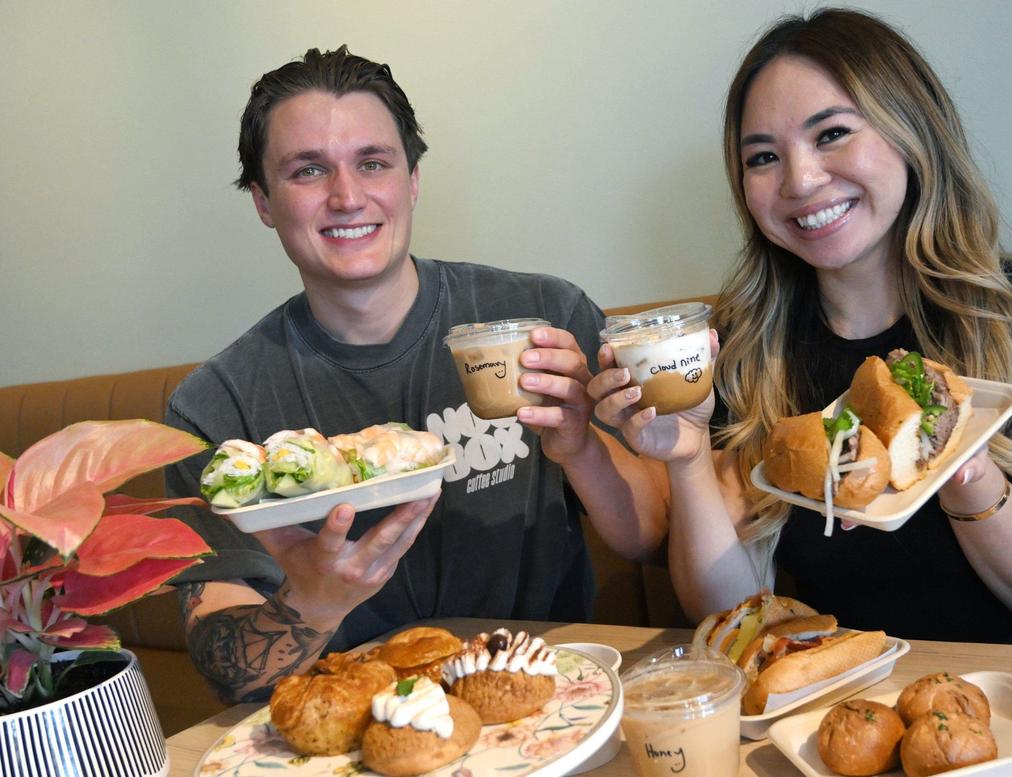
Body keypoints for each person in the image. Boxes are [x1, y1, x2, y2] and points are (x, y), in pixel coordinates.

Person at [589, 8, 1012, 647]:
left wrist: (961, 469)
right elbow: (732, 616)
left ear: (911, 133)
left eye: (832, 133)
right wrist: (688, 457)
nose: (801, 180)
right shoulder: (742, 349)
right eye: (763, 157)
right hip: (830, 713)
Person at [165, 46, 664, 703]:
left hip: (548, 702)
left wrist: (582, 449)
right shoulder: (215, 410)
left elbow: (651, 534)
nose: (347, 197)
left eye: (373, 163)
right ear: (263, 200)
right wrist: (312, 600)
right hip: (348, 728)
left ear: (412, 179)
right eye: (308, 170)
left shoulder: (543, 321)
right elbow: (226, 667)